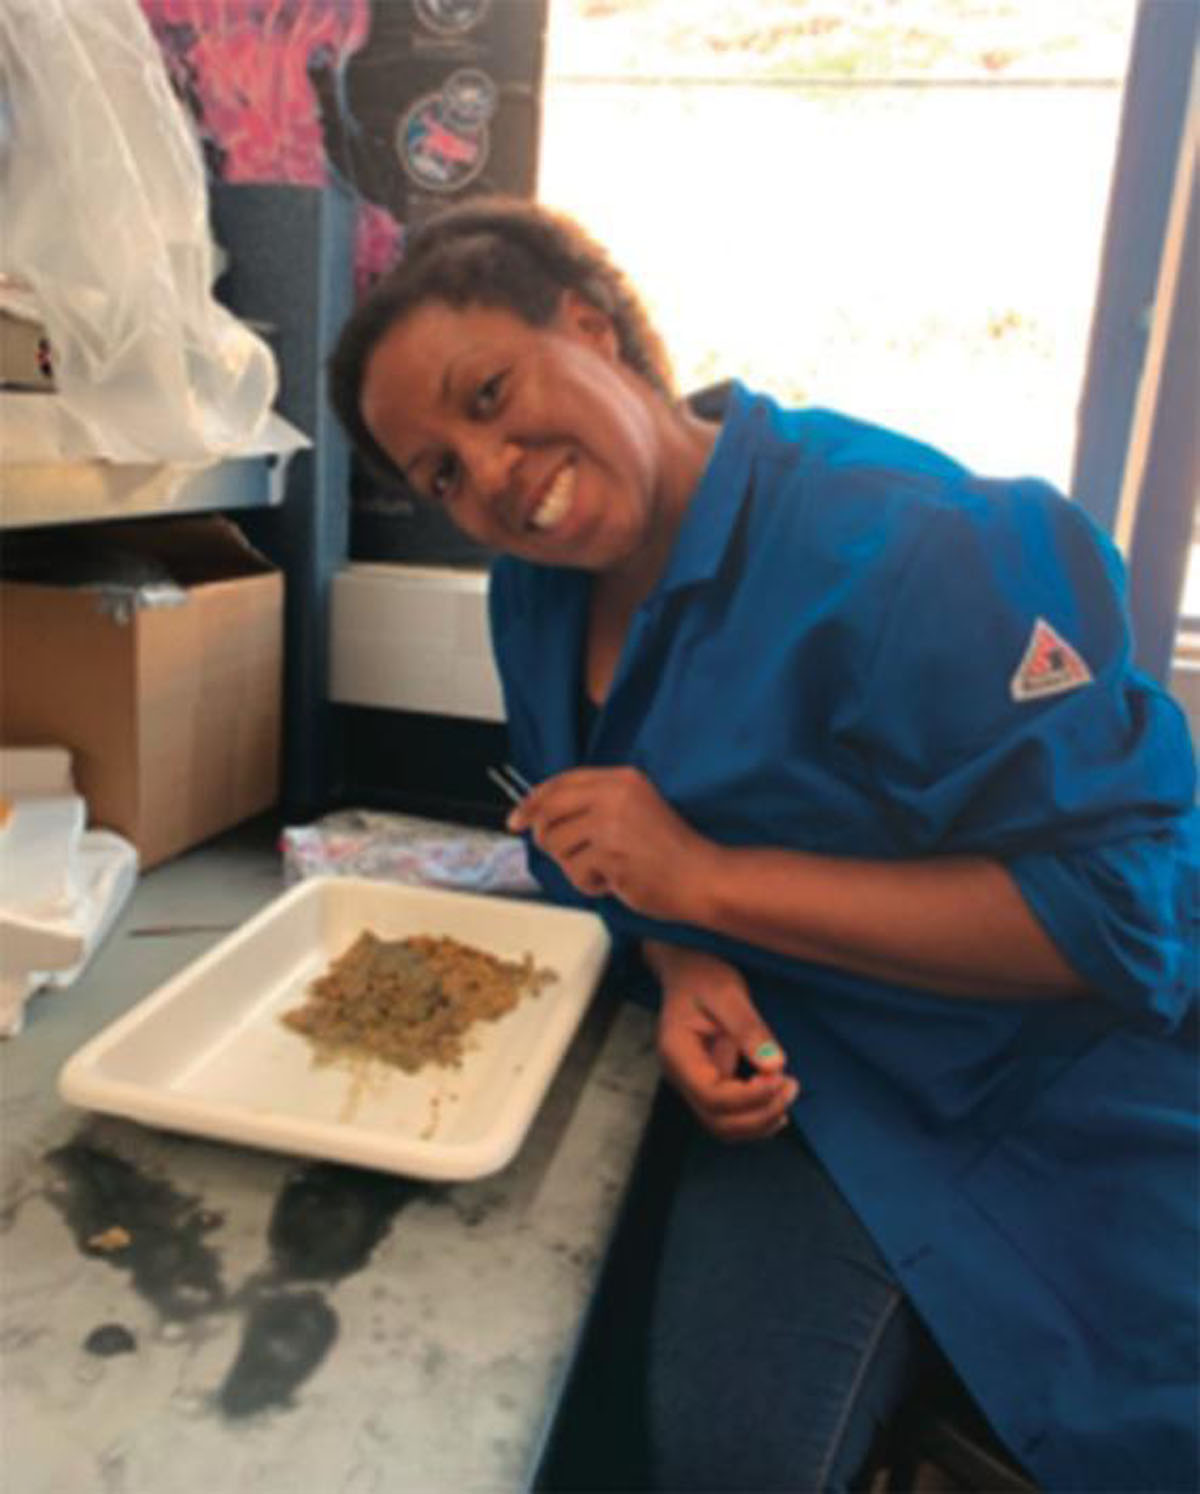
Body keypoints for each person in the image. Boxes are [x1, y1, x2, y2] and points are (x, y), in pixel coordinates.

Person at [328, 196, 1198, 1493]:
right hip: (795, 1095)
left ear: (594, 324)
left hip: (1031, 1097)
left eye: (491, 393)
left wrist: (711, 881)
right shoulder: (536, 593)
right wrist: (683, 957)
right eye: (442, 470)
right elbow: (600, 842)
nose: (491, 470)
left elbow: (1128, 915)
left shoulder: (911, 545)